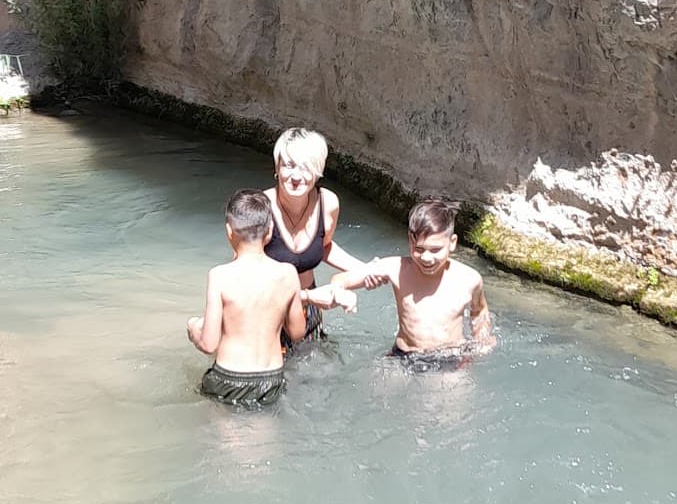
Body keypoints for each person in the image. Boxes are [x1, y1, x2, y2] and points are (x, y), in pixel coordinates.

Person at [324, 199, 495, 367]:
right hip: (403, 355)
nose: (427, 258)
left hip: (450, 358)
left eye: (436, 250)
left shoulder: (469, 279)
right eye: (419, 249)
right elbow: (341, 279)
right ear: (410, 240)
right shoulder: (395, 268)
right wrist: (340, 292)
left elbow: (479, 312)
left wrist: (480, 342)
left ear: (452, 243)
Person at [187, 189, 308, 407]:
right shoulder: (288, 274)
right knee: (265, 435)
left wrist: (194, 327)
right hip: (271, 379)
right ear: (270, 231)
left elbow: (208, 343)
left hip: (229, 377)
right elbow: (298, 332)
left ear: (228, 231)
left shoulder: (219, 275)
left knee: (227, 439)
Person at [265, 126, 366, 341]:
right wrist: (310, 297)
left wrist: (366, 269)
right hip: (266, 311)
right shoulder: (260, 209)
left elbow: (324, 246)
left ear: (318, 170)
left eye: (306, 167)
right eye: (289, 165)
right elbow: (242, 273)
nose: (296, 176)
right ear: (277, 167)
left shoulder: (328, 203)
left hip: (307, 308)